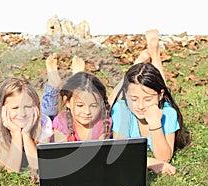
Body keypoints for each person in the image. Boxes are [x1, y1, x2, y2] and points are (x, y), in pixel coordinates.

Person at [110, 29, 191, 175]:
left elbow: (164, 157)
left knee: (158, 87)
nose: (140, 106)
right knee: (110, 103)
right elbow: (120, 152)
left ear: (159, 97)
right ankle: (138, 64)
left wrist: (155, 125)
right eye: (134, 99)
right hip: (125, 98)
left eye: (148, 100)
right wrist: (150, 162)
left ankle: (155, 52)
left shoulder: (167, 113)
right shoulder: (122, 109)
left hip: (156, 98)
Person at [0, 76, 53, 174]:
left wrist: (26, 134)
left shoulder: (43, 122)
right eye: (15, 108)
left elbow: (38, 165)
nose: (22, 113)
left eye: (27, 106)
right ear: (1, 109)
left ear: (37, 107)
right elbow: (11, 168)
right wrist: (16, 133)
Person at [41, 54, 112, 142]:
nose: (87, 112)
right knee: (47, 119)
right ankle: (54, 83)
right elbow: (59, 150)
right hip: (57, 125)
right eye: (80, 105)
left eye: (93, 106)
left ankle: (77, 77)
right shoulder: (61, 122)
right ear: (67, 102)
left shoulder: (103, 122)